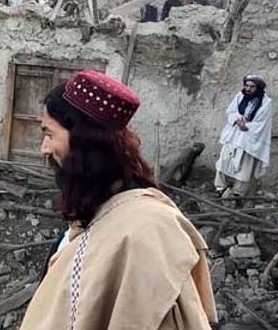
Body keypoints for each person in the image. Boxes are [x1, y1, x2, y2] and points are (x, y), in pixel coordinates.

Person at [20, 70, 216, 330]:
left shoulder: (147, 232)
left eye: (49, 134)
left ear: (83, 141)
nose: (43, 148)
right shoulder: (97, 210)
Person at [215, 75, 273, 198]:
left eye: (252, 87)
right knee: (224, 161)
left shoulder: (266, 103)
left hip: (249, 139)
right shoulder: (240, 96)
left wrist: (247, 126)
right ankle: (220, 188)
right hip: (234, 135)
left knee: (245, 168)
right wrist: (237, 120)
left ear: (258, 88)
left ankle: (238, 193)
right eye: (246, 86)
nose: (248, 89)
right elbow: (231, 111)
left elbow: (263, 123)